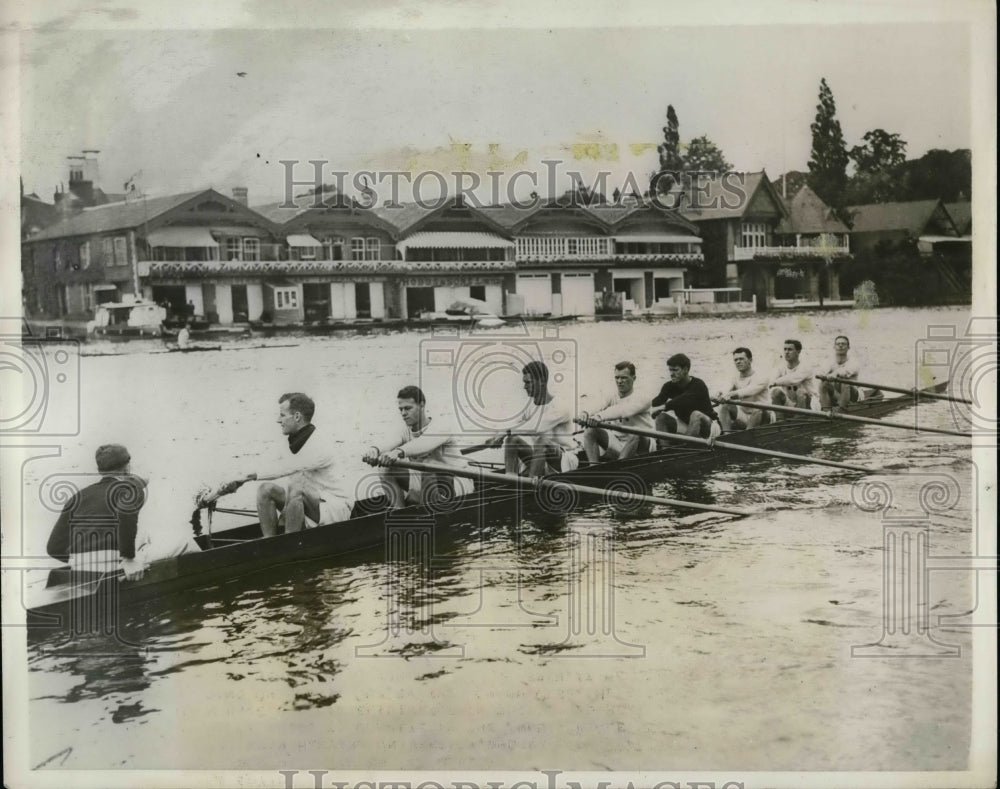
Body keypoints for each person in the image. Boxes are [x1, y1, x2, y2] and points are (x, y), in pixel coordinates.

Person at [203, 393, 352, 536]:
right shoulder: (296, 441)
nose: (278, 420)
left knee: (296, 487)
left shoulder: (320, 444)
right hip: (314, 504)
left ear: (297, 416)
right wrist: (234, 482)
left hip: (336, 509)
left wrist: (243, 478)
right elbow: (269, 465)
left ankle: (289, 544)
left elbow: (283, 469)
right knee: (265, 489)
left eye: (282, 415)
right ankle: (271, 543)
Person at [47, 444, 198, 581]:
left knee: (145, 536)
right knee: (185, 542)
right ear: (127, 468)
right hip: (114, 565)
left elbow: (53, 548)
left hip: (79, 567)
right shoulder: (130, 489)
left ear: (100, 470)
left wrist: (82, 562)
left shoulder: (78, 496)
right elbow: (125, 513)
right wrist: (129, 559)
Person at [363, 386, 474, 509]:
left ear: (422, 405)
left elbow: (423, 444)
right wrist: (375, 450)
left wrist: (397, 452)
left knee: (429, 467)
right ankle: (400, 512)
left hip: (457, 482)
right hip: (425, 482)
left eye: (408, 408)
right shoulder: (405, 431)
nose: (403, 413)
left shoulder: (441, 426)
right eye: (401, 409)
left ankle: (432, 516)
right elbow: (390, 441)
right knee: (385, 469)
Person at [489, 361, 580, 477]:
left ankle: (530, 487)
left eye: (528, 382)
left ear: (541, 381)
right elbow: (515, 425)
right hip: (540, 458)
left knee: (542, 441)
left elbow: (536, 426)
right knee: (512, 440)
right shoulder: (530, 408)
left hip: (565, 461)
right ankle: (511, 479)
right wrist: (496, 437)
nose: (524, 387)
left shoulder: (560, 406)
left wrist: (504, 433)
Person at [579, 361, 654, 463]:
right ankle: (594, 467)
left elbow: (623, 410)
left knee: (636, 432)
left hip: (642, 448)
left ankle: (618, 468)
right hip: (619, 444)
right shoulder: (612, 394)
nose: (619, 381)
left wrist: (599, 416)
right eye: (617, 378)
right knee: (590, 431)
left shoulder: (643, 398)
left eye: (624, 378)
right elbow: (599, 402)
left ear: (634, 378)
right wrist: (585, 413)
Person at [650, 353, 720, 448]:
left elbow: (683, 399)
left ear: (686, 370)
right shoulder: (668, 386)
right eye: (670, 370)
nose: (671, 374)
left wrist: (663, 407)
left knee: (696, 414)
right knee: (661, 417)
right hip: (687, 425)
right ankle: (664, 450)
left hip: (710, 427)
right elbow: (655, 403)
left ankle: (684, 450)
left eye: (675, 370)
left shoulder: (698, 385)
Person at [817, 335, 880, 411]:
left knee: (845, 382)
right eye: (838, 344)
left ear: (848, 347)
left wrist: (835, 373)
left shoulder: (854, 362)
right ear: (834, 347)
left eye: (843, 344)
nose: (840, 346)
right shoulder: (829, 361)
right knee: (823, 384)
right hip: (836, 394)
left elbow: (846, 371)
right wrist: (824, 375)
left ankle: (841, 411)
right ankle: (826, 411)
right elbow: (821, 371)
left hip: (854, 395)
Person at [716, 347, 771, 431]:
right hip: (745, 415)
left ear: (750, 360)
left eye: (741, 359)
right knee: (725, 406)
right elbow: (726, 389)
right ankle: (726, 436)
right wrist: (720, 394)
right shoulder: (734, 378)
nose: (738, 362)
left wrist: (731, 394)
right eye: (736, 360)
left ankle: (746, 437)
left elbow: (749, 391)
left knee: (758, 408)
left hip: (763, 416)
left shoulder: (762, 377)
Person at [768, 339, 817, 417]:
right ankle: (779, 421)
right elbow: (771, 380)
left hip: (809, 405)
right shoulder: (781, 367)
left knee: (800, 392)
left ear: (798, 352)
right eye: (785, 349)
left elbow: (792, 379)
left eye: (790, 349)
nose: (786, 352)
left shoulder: (805, 367)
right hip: (792, 404)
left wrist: (775, 382)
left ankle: (799, 422)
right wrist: (772, 383)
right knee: (775, 392)